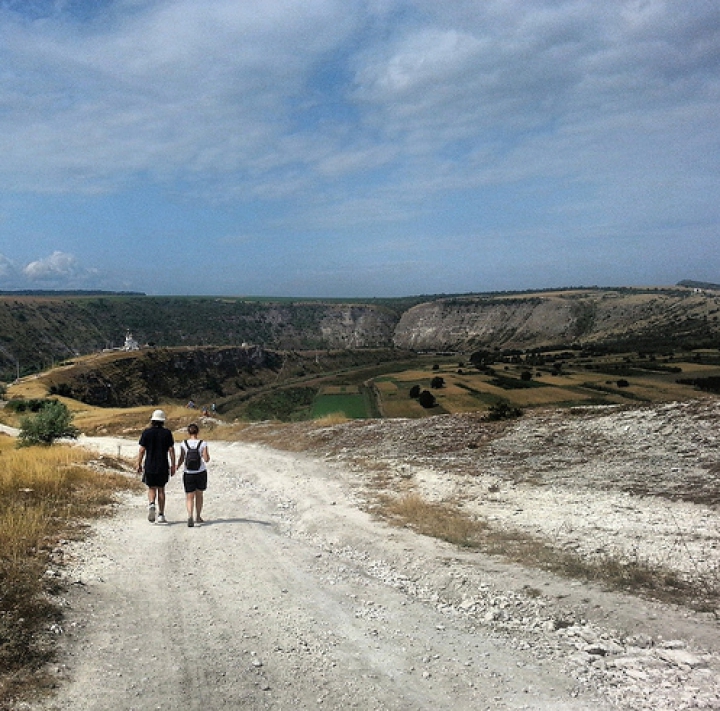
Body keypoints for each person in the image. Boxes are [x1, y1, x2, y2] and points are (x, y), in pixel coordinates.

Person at [137, 409, 176, 524]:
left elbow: (142, 450)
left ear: (152, 420)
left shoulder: (146, 433)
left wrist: (138, 463)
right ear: (163, 421)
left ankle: (152, 504)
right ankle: (161, 515)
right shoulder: (167, 433)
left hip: (149, 465)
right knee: (161, 489)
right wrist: (173, 465)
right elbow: (171, 450)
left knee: (151, 488)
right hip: (163, 465)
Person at [177, 422, 210, 527]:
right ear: (198, 432)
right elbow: (206, 459)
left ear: (188, 432)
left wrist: (177, 466)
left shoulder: (183, 444)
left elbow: (182, 458)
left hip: (188, 473)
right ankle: (198, 517)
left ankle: (190, 515)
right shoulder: (203, 443)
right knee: (199, 495)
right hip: (200, 472)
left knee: (189, 496)